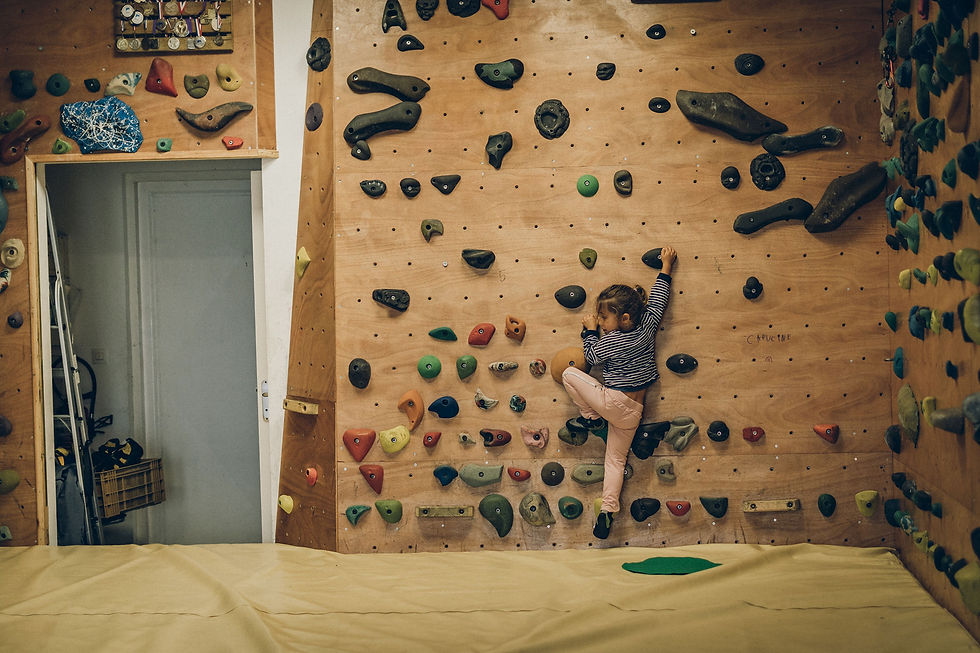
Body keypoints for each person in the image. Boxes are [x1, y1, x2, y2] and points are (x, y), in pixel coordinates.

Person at [561, 246, 676, 539]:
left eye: (604, 318)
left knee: (568, 374)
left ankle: (589, 418)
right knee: (615, 461)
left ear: (624, 319)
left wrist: (589, 332)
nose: (600, 322)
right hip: (634, 412)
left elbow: (590, 356)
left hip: (611, 402)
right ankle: (607, 511)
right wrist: (666, 266)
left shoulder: (611, 342)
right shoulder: (648, 327)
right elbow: (659, 300)